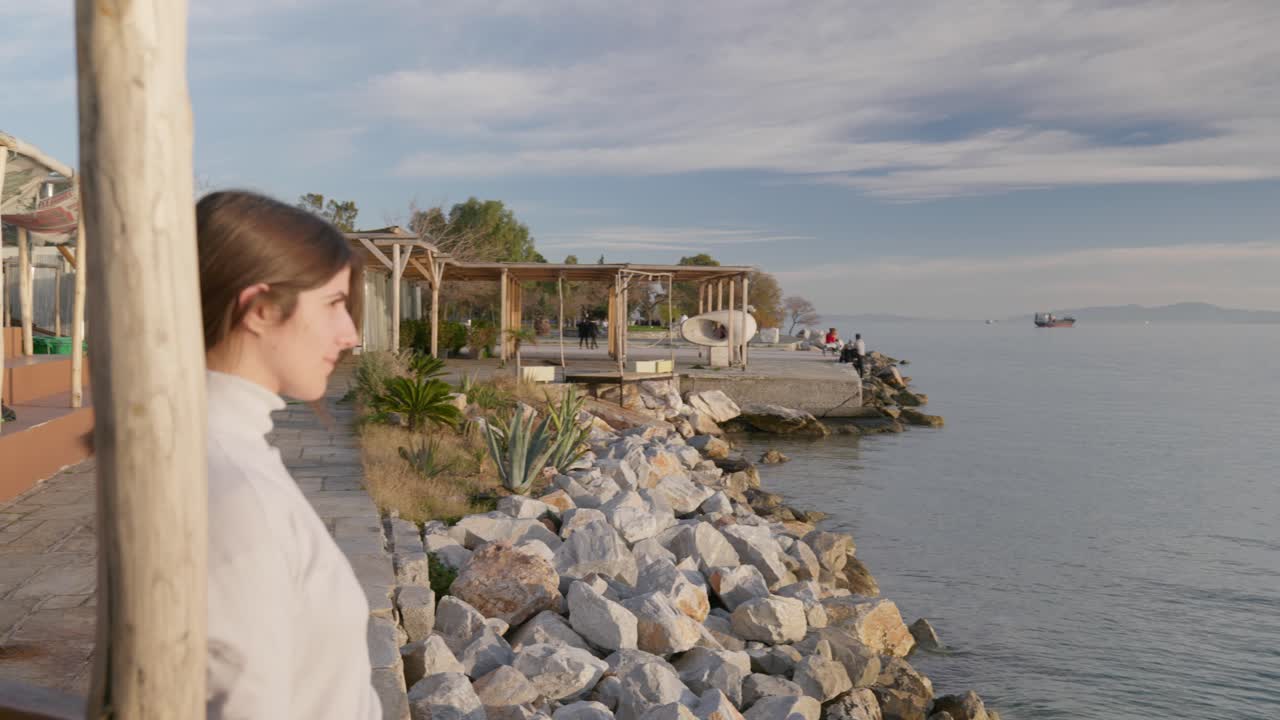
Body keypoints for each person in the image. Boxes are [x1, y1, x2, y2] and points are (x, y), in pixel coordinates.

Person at [197, 191, 380, 719]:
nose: (349, 334)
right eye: (333, 304)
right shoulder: (233, 494)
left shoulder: (230, 457)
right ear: (259, 309)